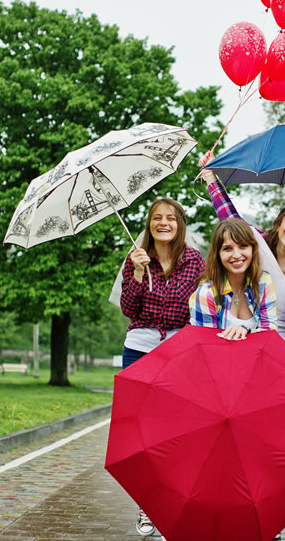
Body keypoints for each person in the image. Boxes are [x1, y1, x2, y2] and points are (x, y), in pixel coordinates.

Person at [118, 197, 205, 537]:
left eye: (170, 217)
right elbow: (129, 307)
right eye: (157, 218)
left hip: (180, 353)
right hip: (139, 349)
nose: (163, 222)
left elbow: (204, 305)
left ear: (180, 223)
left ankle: (177, 501)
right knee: (143, 435)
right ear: (149, 224)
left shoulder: (195, 261)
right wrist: (138, 272)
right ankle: (147, 507)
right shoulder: (136, 258)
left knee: (177, 432)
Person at [199, 167, 285, 364]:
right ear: (278, 224)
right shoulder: (258, 247)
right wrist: (210, 178)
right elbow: (230, 219)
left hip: (284, 353)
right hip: (246, 339)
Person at [190, 217, 277, 339]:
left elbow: (270, 331)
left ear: (253, 249)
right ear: (218, 254)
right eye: (227, 248)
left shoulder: (263, 281)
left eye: (243, 246)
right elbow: (206, 344)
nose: (236, 255)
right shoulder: (207, 293)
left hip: (257, 355)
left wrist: (246, 331)